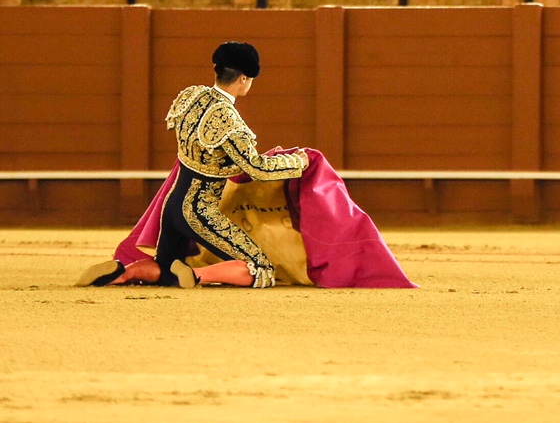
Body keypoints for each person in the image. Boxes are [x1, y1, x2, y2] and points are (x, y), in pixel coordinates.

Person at [76, 42, 414, 290]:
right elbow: (258, 169)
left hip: (172, 206)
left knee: (166, 265)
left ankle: (125, 271)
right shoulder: (230, 122)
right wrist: (299, 161)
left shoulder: (189, 96)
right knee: (259, 269)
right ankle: (195, 276)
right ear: (244, 80)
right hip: (200, 212)